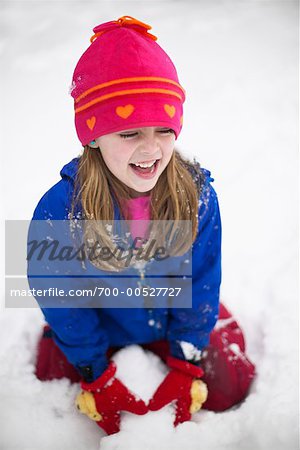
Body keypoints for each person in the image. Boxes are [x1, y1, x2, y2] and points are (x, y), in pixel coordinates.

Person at [27, 16, 256, 436]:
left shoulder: (196, 195)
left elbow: (202, 279)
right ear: (93, 136)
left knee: (230, 386)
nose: (151, 149)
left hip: (167, 316)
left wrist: (187, 359)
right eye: (130, 132)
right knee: (52, 381)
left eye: (163, 129)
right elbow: (60, 296)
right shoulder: (60, 209)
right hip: (100, 320)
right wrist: (94, 370)